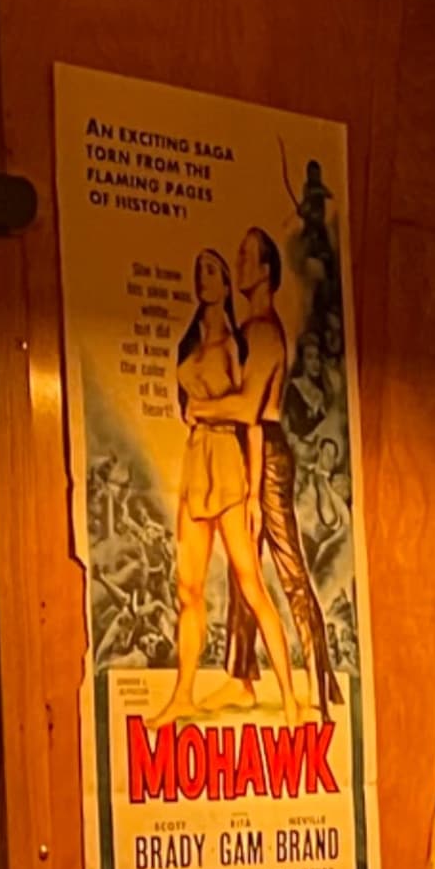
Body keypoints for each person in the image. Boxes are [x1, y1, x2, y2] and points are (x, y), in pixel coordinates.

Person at [158, 249, 300, 718]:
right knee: (188, 587)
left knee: (249, 581)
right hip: (196, 459)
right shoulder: (191, 342)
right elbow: (185, 407)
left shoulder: (241, 344)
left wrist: (255, 493)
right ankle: (182, 694)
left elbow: (251, 420)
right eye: (199, 271)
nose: (205, 278)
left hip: (228, 460)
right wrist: (195, 414)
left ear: (223, 282)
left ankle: (291, 696)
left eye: (212, 271)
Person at [219, 223, 335, 712]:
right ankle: (241, 675)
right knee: (243, 565)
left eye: (247, 256)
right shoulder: (248, 328)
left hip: (264, 452)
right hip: (249, 449)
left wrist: (251, 492)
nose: (239, 265)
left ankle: (319, 682)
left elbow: (250, 411)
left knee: (288, 568)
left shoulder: (263, 331)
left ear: (267, 270)